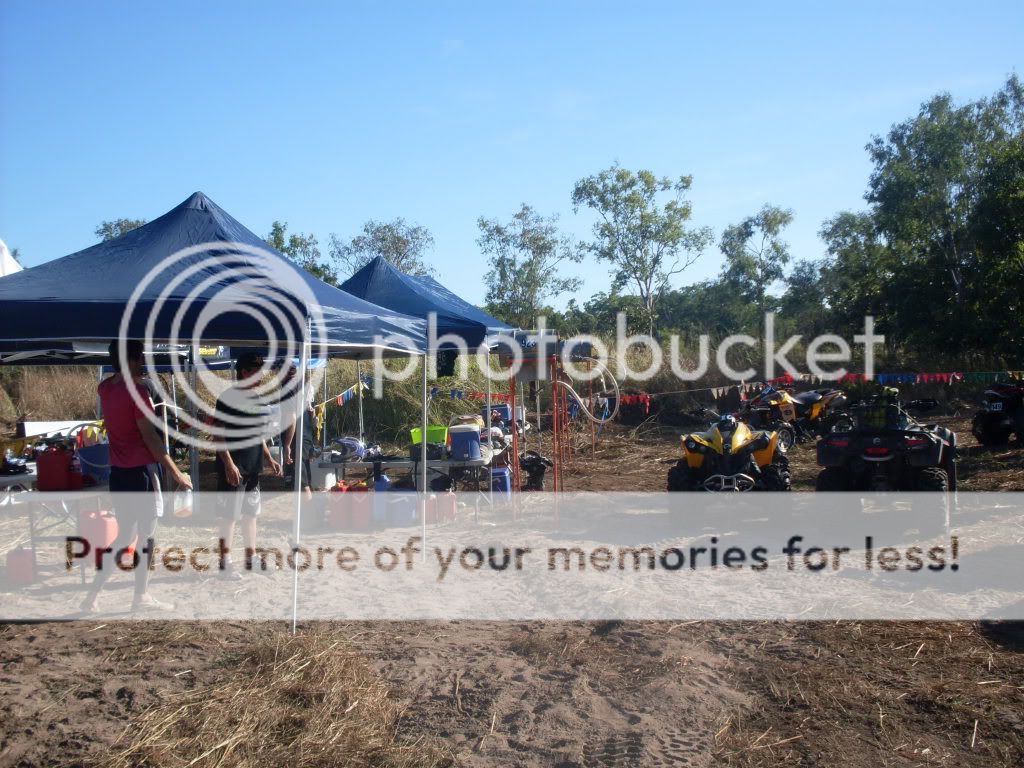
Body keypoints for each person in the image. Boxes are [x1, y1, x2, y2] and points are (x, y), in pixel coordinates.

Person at [81, 340, 192, 613]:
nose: (143, 361)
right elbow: (150, 439)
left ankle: (92, 596)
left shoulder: (105, 388)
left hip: (119, 474)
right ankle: (141, 596)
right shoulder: (139, 392)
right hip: (142, 473)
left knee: (124, 537)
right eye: (140, 357)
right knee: (147, 537)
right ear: (132, 359)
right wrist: (177, 473)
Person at [212, 352, 282, 578]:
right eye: (257, 372)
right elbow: (218, 435)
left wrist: (269, 458)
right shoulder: (227, 398)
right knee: (229, 516)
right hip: (234, 467)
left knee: (250, 514)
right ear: (245, 372)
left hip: (253, 467)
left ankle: (251, 558)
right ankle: (225, 563)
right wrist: (229, 464)